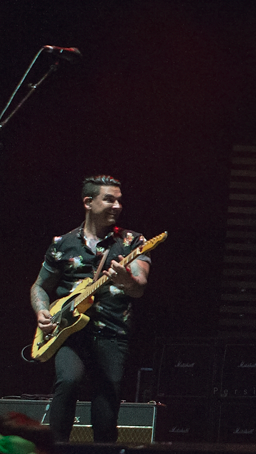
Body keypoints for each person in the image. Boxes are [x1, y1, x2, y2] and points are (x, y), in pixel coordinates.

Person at [30, 175, 151, 443]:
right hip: (69, 333)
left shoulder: (132, 241)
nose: (117, 206)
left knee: (106, 407)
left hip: (112, 333)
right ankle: (55, 448)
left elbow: (139, 287)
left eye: (119, 200)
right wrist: (41, 311)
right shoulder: (63, 243)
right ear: (88, 202)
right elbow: (39, 286)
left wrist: (126, 280)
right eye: (109, 199)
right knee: (68, 382)